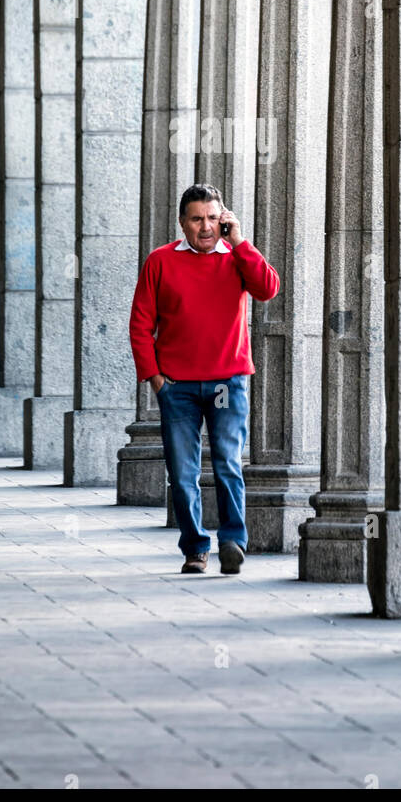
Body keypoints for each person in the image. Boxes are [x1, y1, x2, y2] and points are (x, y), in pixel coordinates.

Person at [128, 183, 280, 574]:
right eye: (197, 219)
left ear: (224, 219)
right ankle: (195, 548)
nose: (206, 227)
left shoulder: (237, 257)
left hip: (226, 384)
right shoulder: (160, 261)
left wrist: (242, 242)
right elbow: (141, 324)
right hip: (177, 387)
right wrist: (155, 378)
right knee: (182, 473)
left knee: (228, 462)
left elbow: (268, 289)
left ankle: (232, 541)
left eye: (213, 218)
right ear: (183, 223)